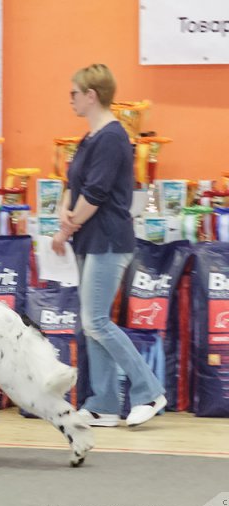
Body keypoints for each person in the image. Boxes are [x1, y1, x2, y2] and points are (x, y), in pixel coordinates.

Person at [52, 64, 166, 428]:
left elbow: (96, 193)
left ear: (92, 95)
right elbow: (73, 186)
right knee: (91, 324)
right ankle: (102, 403)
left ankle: (149, 392)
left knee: (97, 321)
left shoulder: (114, 137)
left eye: (74, 93)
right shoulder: (89, 139)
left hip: (109, 241)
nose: (69, 99)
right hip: (90, 239)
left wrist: (70, 223)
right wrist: (65, 222)